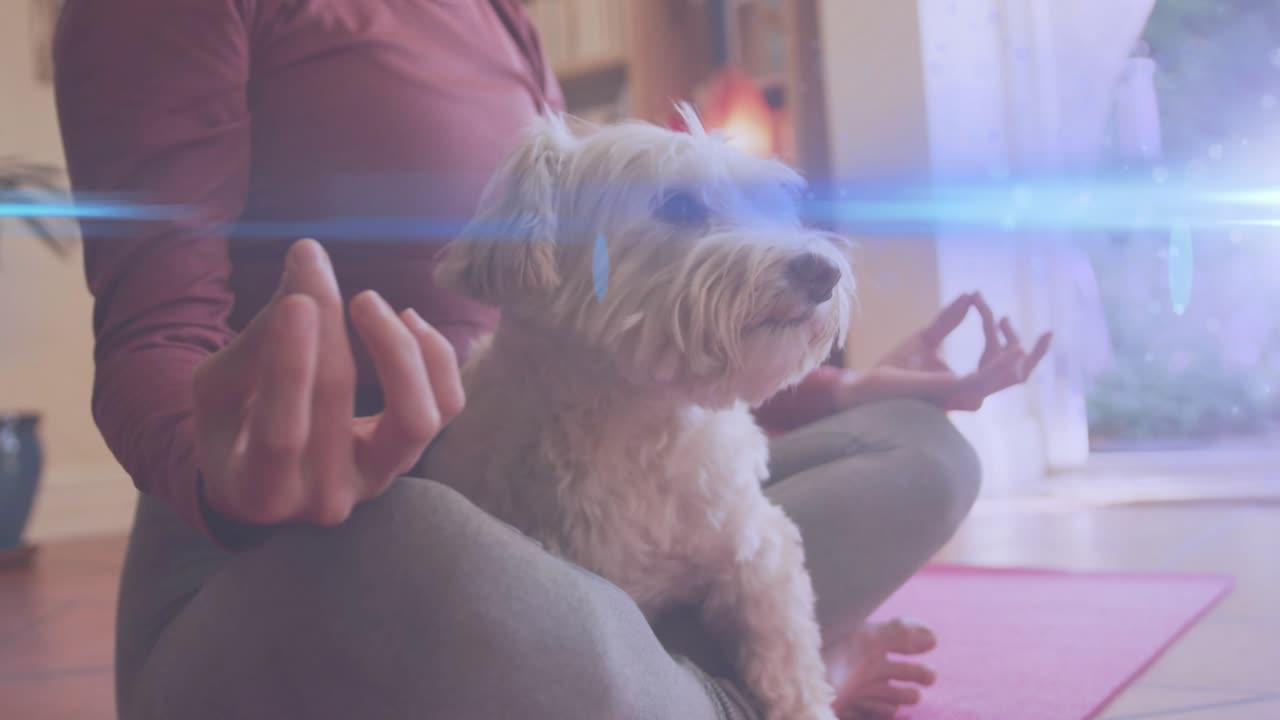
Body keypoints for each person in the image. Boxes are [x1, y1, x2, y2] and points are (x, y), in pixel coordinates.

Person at [53, 1, 1050, 718]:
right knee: (423, 533)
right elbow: (152, 338)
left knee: (922, 453)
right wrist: (234, 474)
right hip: (314, 550)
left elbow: (605, 310)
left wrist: (841, 384)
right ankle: (764, 692)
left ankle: (640, 680)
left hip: (598, 472)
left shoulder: (497, 15)